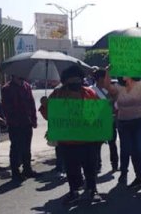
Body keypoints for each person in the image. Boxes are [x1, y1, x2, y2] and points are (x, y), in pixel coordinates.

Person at [43, 66, 103, 205]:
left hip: (88, 139)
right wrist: (46, 105)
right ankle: (74, 191)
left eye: (78, 79)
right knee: (71, 168)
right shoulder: (57, 94)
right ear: (65, 81)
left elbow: (98, 115)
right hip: (68, 141)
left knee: (90, 167)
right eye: (72, 80)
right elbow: (49, 116)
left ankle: (92, 190)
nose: (75, 82)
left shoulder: (89, 93)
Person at [99, 69, 141, 194]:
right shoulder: (117, 88)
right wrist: (107, 71)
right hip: (124, 123)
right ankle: (139, 178)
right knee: (132, 151)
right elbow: (106, 86)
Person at [1, 74, 38, 182]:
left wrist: (34, 119)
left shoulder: (26, 86)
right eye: (19, 77)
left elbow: (32, 104)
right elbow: (6, 108)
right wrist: (13, 120)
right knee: (16, 148)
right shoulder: (7, 89)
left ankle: (27, 169)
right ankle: (15, 172)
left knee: (27, 147)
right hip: (15, 124)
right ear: (13, 76)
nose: (22, 79)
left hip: (27, 122)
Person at [90, 69, 119, 173]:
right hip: (98, 122)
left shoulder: (110, 90)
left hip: (111, 121)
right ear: (100, 79)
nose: (108, 79)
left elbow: (116, 105)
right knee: (97, 145)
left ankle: (115, 164)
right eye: (106, 77)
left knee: (113, 143)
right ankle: (97, 165)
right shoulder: (91, 91)